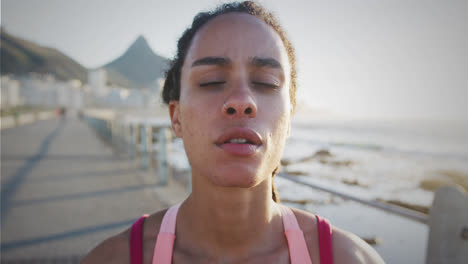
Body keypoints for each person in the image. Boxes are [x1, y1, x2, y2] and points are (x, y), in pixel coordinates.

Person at [82, 1, 385, 263]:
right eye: (212, 81)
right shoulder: (113, 259)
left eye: (266, 82)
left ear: (289, 118)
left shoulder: (351, 259)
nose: (241, 101)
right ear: (176, 117)